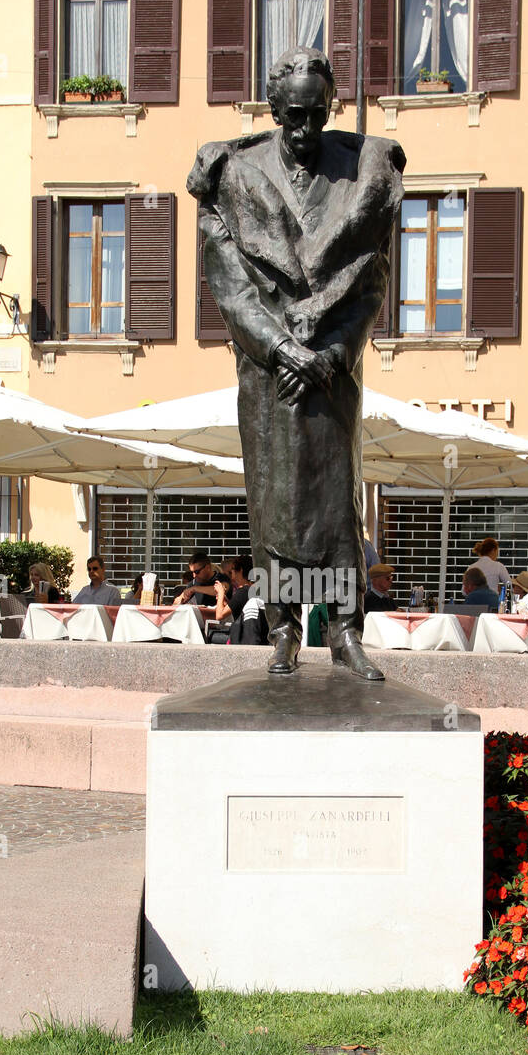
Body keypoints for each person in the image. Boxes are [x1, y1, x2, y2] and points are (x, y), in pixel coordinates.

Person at [188, 46, 405, 679]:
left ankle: (343, 630)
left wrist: (333, 352)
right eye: (296, 116)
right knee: (273, 500)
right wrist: (283, 349)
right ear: (275, 111)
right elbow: (229, 285)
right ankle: (281, 627)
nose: (308, 128)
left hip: (333, 368)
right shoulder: (232, 173)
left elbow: (373, 278)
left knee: (337, 502)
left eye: (318, 114)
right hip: (268, 370)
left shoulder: (364, 169)